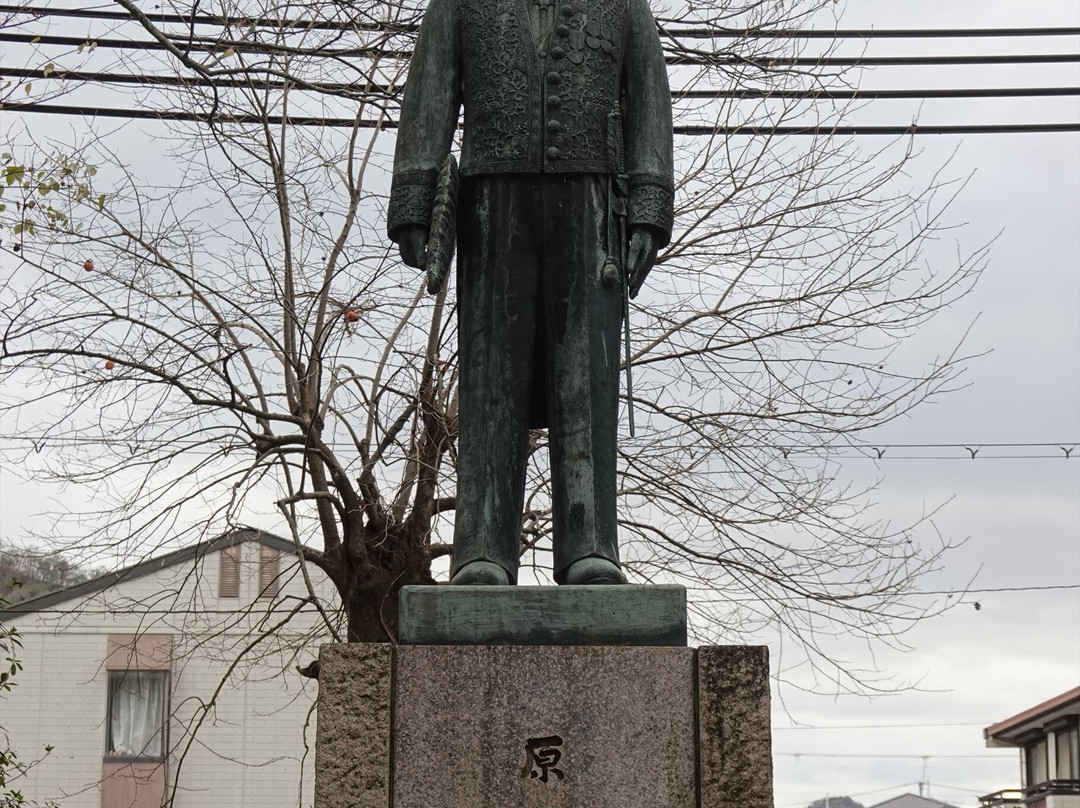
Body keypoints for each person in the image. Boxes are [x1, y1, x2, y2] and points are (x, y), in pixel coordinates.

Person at [387, 0, 674, 585]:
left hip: (594, 201)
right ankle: (482, 550)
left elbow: (650, 98)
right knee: (492, 375)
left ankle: (590, 547)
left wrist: (648, 207)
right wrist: (415, 201)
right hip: (491, 198)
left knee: (586, 378)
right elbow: (430, 92)